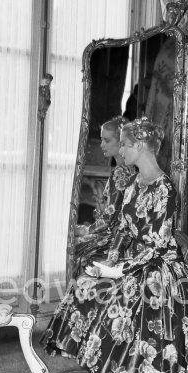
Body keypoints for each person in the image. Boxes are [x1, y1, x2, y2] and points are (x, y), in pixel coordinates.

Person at [41, 116, 188, 373]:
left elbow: (157, 245)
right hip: (131, 260)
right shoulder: (134, 183)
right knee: (83, 287)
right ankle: (105, 363)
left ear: (141, 146)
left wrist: (120, 271)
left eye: (126, 145)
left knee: (128, 296)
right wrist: (111, 259)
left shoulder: (165, 189)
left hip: (159, 267)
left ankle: (132, 372)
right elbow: (122, 228)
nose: (121, 151)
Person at [74, 116, 135, 276]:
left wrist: (86, 230)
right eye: (101, 140)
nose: (101, 145)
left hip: (115, 238)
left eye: (106, 140)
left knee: (73, 246)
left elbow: (109, 217)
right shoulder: (131, 169)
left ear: (121, 142)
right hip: (123, 235)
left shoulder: (120, 172)